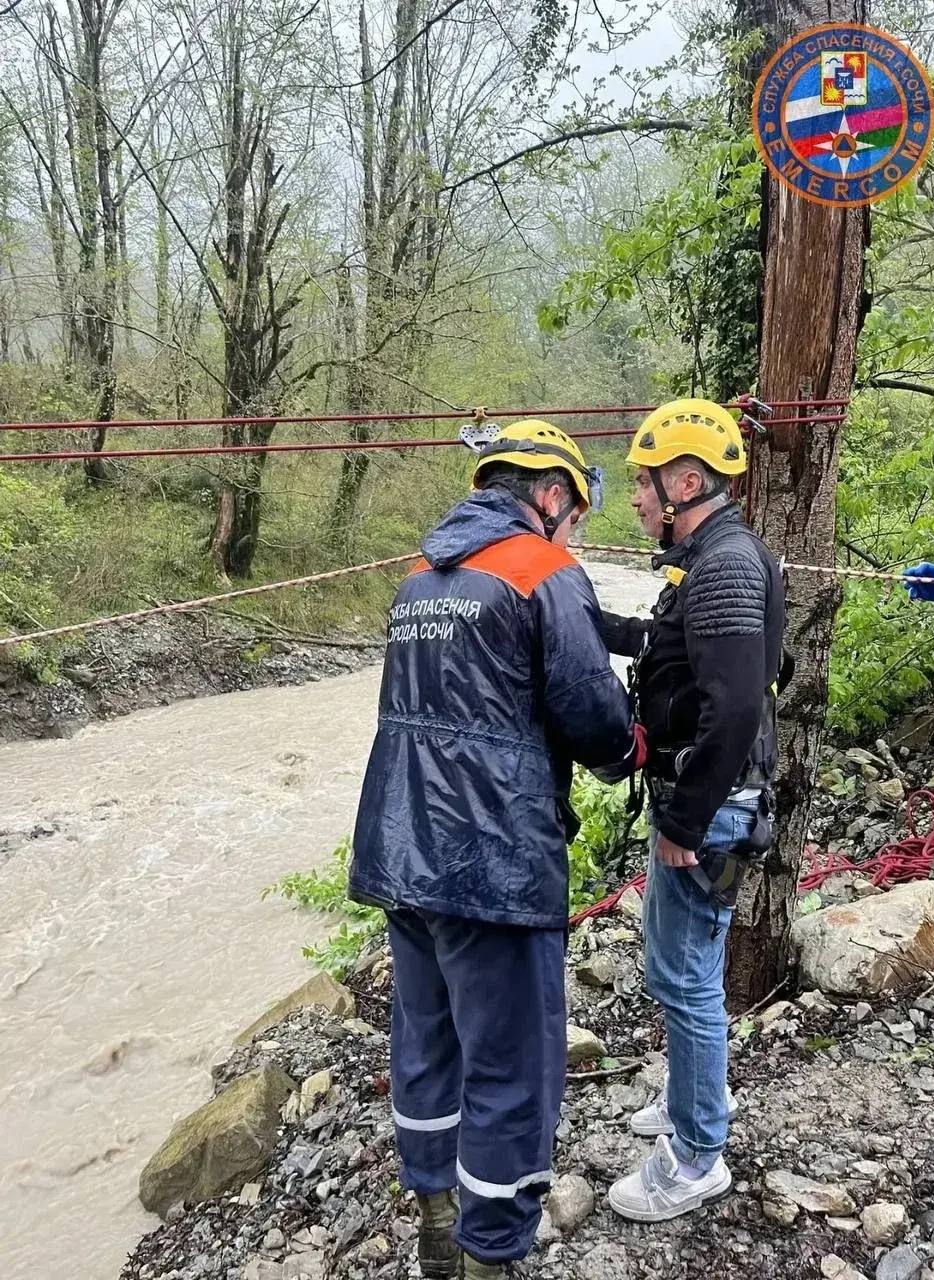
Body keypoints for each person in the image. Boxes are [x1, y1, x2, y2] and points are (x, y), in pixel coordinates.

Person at [348, 420, 641, 1280]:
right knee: (510, 1067)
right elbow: (590, 712)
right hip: (493, 863)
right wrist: (632, 750)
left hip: (402, 850)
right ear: (550, 496)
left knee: (427, 1042)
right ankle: (489, 1257)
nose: (574, 533)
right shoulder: (540, 569)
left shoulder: (420, 577)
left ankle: (435, 1219)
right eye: (575, 516)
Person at [599, 398, 786, 1224]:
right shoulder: (706, 560)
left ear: (683, 482)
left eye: (643, 483)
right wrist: (584, 618)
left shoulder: (727, 566)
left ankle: (697, 1154)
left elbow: (735, 706)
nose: (636, 497)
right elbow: (668, 648)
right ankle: (690, 1096)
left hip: (706, 808)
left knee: (685, 979)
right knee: (673, 969)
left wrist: (684, 822)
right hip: (695, 798)